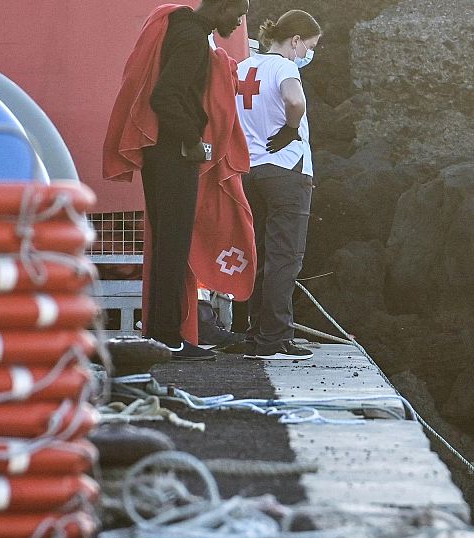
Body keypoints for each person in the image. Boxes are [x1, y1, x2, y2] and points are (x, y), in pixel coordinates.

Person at [103, 0, 252, 361]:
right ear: (221, 7)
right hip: (174, 156)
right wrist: (193, 140)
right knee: (173, 245)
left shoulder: (179, 28)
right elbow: (165, 97)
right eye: (238, 11)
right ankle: (168, 336)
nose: (239, 20)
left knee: (165, 245)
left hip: (161, 155)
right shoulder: (191, 39)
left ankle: (160, 333)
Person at [229, 10, 321, 360]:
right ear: (295, 40)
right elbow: (294, 100)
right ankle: (274, 339)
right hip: (286, 171)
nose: (307, 55)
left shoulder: (244, 67)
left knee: (261, 257)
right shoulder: (285, 67)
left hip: (249, 172)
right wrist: (291, 128)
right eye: (308, 46)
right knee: (286, 259)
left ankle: (258, 335)